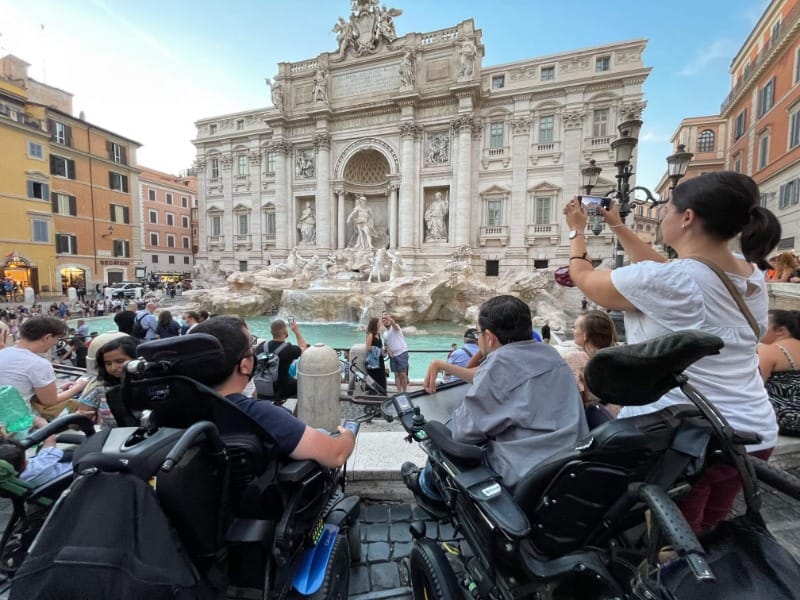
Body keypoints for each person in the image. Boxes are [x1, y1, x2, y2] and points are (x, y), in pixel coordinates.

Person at [563, 170, 781, 533]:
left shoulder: (672, 281)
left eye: (667, 208)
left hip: (686, 443)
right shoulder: (750, 275)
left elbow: (585, 279)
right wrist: (618, 226)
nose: (662, 214)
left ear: (688, 217)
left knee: (673, 547)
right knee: (710, 534)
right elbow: (670, 273)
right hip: (752, 434)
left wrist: (577, 231)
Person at [403, 295, 587, 499]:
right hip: (571, 465)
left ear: (489, 337)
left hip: (526, 473)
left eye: (479, 333)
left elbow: (464, 434)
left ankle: (426, 487)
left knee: (444, 438)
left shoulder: (498, 365)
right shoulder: (551, 354)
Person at [191, 316, 354, 468]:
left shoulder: (178, 408)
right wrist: (348, 435)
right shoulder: (260, 415)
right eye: (251, 344)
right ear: (245, 365)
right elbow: (336, 454)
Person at [0, 316, 87, 421]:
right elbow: (50, 401)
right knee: (79, 405)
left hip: (4, 414)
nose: (55, 343)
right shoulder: (39, 364)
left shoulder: (3, 353)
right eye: (56, 339)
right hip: (21, 421)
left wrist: (58, 389)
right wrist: (78, 387)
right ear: (48, 337)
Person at [563, 310, 619, 425]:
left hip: (594, 423)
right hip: (618, 417)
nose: (573, 331)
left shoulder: (574, 359)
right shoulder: (618, 357)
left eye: (575, 328)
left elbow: (574, 403)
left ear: (585, 335)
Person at [77, 334, 138, 429]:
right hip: (113, 438)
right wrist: (81, 418)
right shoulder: (100, 385)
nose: (113, 368)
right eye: (108, 363)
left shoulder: (152, 382)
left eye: (120, 361)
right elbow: (79, 420)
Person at [758, 309, 800, 436]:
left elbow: (754, 387)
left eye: (763, 324)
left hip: (788, 418)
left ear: (781, 330)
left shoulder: (769, 351)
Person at [254, 319, 308, 401]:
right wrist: (296, 331)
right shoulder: (288, 349)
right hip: (282, 391)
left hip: (262, 388)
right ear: (285, 332)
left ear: (271, 332)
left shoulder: (261, 347)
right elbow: (304, 348)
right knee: (305, 386)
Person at [382, 312, 409, 393]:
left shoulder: (395, 327)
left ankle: (404, 392)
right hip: (392, 356)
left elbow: (393, 324)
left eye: (386, 320)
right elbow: (385, 344)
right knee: (396, 375)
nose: (385, 321)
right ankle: (399, 391)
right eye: (383, 320)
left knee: (403, 375)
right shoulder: (384, 334)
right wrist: (388, 350)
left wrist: (389, 318)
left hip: (401, 353)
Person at [364, 317, 387, 394]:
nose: (380, 324)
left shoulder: (378, 334)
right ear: (375, 324)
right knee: (374, 378)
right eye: (378, 323)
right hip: (373, 362)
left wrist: (383, 350)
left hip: (380, 360)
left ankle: (381, 394)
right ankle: (373, 395)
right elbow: (368, 347)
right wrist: (379, 350)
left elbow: (380, 346)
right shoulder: (370, 335)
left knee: (381, 377)